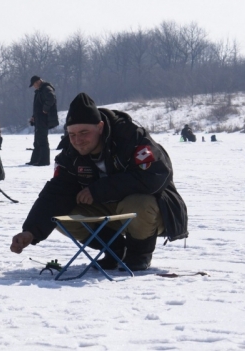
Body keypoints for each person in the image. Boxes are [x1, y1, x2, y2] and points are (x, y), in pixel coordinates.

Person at [10, 93, 188, 271]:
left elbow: (155, 176)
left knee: (139, 203)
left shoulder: (131, 137)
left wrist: (99, 190)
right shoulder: (70, 154)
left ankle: (139, 255)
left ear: (100, 127)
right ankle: (115, 249)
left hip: (153, 212)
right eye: (72, 135)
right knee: (61, 217)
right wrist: (31, 231)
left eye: (84, 133)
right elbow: (56, 193)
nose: (78, 141)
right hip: (108, 211)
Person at [27, 75, 59, 166]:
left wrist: (45, 109)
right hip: (38, 118)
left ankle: (44, 161)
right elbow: (37, 106)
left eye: (34, 84)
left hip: (44, 118)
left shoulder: (46, 88)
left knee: (42, 140)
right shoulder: (40, 90)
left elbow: (51, 98)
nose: (34, 86)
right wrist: (34, 116)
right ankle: (35, 160)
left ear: (38, 81)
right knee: (37, 140)